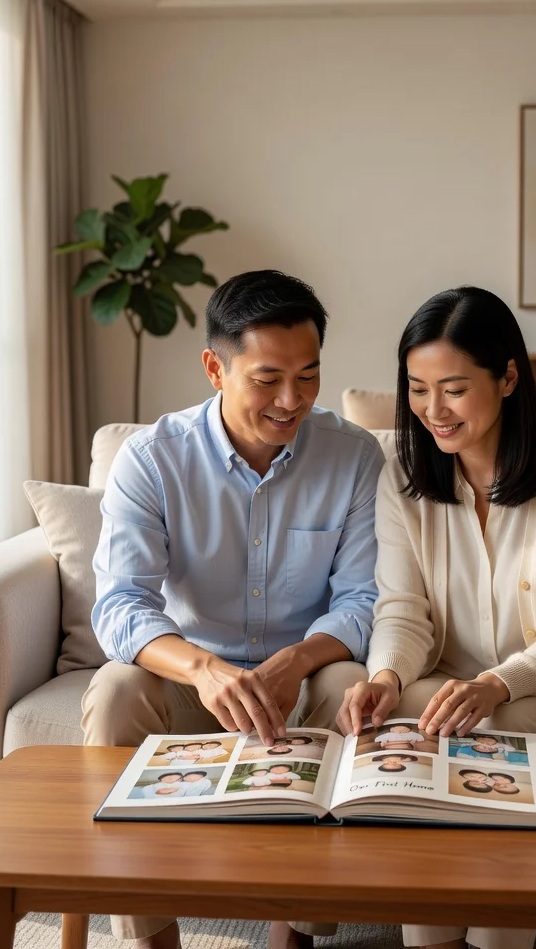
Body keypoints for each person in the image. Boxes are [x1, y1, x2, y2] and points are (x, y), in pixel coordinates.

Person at [337, 287, 536, 949]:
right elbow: (403, 609)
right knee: (410, 738)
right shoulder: (401, 477)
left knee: (493, 742)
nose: (433, 410)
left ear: (509, 376)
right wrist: (389, 674)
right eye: (418, 390)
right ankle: (433, 940)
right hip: (454, 685)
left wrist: (496, 684)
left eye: (453, 389)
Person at [83, 270, 385, 949]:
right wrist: (205, 670)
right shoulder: (152, 459)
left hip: (304, 680)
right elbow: (121, 603)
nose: (292, 400)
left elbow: (365, 598)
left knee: (346, 686)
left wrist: (299, 661)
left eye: (308, 376)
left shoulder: (354, 456)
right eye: (268, 378)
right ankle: (149, 934)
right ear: (215, 368)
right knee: (115, 690)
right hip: (197, 681)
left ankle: (294, 931)